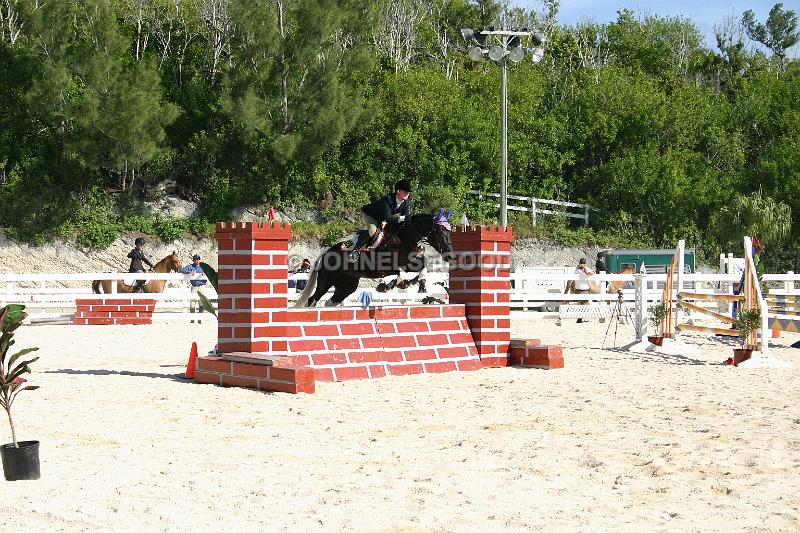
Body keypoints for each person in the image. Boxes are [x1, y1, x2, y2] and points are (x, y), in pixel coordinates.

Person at [349, 179, 412, 261]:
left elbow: (405, 218)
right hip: (371, 215)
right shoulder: (388, 200)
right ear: (398, 191)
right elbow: (389, 218)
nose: (407, 194)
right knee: (373, 231)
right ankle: (355, 250)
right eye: (405, 192)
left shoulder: (406, 202)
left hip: (382, 217)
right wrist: (403, 218)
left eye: (408, 192)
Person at [179, 254, 208, 322]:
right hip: (194, 286)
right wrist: (188, 272)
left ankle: (199, 319)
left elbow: (210, 272)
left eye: (198, 259)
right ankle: (192, 319)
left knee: (202, 303)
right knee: (192, 303)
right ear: (193, 260)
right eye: (196, 259)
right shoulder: (190, 267)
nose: (197, 260)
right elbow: (181, 270)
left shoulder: (203, 266)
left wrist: (205, 273)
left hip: (202, 286)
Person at [574, 258, 594, 323]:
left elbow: (591, 273)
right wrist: (584, 267)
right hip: (583, 289)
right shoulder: (578, 270)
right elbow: (590, 273)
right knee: (583, 304)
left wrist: (583, 267)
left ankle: (580, 318)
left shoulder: (577, 270)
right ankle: (580, 318)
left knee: (582, 304)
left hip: (580, 289)